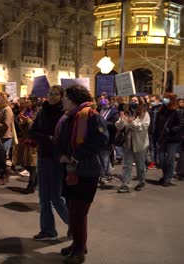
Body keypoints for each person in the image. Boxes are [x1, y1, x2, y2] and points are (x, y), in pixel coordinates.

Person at [55, 85, 109, 264]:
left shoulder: (92, 115)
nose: (62, 100)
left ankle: (79, 250)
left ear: (74, 99)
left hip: (87, 171)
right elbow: (61, 141)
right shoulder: (66, 118)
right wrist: (61, 154)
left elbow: (102, 141)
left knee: (79, 212)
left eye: (66, 98)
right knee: (72, 210)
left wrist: (75, 156)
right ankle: (77, 245)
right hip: (70, 171)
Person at [29, 85, 69, 241]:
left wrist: (51, 139)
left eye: (55, 94)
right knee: (43, 196)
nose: (51, 97)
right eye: (50, 94)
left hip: (57, 159)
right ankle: (48, 230)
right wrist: (46, 138)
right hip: (43, 156)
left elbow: (64, 137)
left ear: (61, 96)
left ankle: (74, 225)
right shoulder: (43, 111)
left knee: (56, 196)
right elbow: (32, 131)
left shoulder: (64, 114)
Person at [115, 96, 150, 193]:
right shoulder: (126, 112)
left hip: (140, 144)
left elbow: (143, 127)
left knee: (140, 165)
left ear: (140, 103)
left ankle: (142, 181)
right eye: (131, 100)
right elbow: (119, 126)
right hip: (127, 144)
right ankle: (125, 184)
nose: (133, 102)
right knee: (126, 165)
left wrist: (132, 122)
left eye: (135, 101)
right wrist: (122, 119)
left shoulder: (144, 114)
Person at [154, 92, 184, 187]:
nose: (164, 99)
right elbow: (157, 124)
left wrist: (171, 130)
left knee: (170, 160)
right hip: (162, 138)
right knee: (161, 159)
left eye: (166, 98)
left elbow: (180, 124)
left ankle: (167, 179)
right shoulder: (161, 110)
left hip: (172, 139)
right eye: (164, 98)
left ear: (171, 100)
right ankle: (166, 176)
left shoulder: (176, 111)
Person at [0, 92, 14, 185]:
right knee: (1, 157)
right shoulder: (0, 109)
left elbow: (5, 125)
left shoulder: (7, 109)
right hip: (0, 136)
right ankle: (3, 175)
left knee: (2, 157)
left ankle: (4, 177)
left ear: (2, 99)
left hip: (5, 137)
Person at [98, 97, 119, 185]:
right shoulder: (99, 110)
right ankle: (105, 174)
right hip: (99, 138)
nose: (103, 100)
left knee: (105, 157)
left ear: (110, 101)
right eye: (101, 99)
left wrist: (103, 123)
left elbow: (115, 126)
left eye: (105, 99)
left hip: (109, 138)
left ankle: (107, 175)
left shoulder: (114, 112)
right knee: (102, 158)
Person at [147, 94, 162, 169]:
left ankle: (159, 162)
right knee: (152, 147)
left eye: (153, 101)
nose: (151, 102)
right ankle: (153, 161)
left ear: (158, 100)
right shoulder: (152, 109)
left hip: (159, 132)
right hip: (151, 131)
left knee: (158, 147)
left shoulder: (162, 108)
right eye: (151, 101)